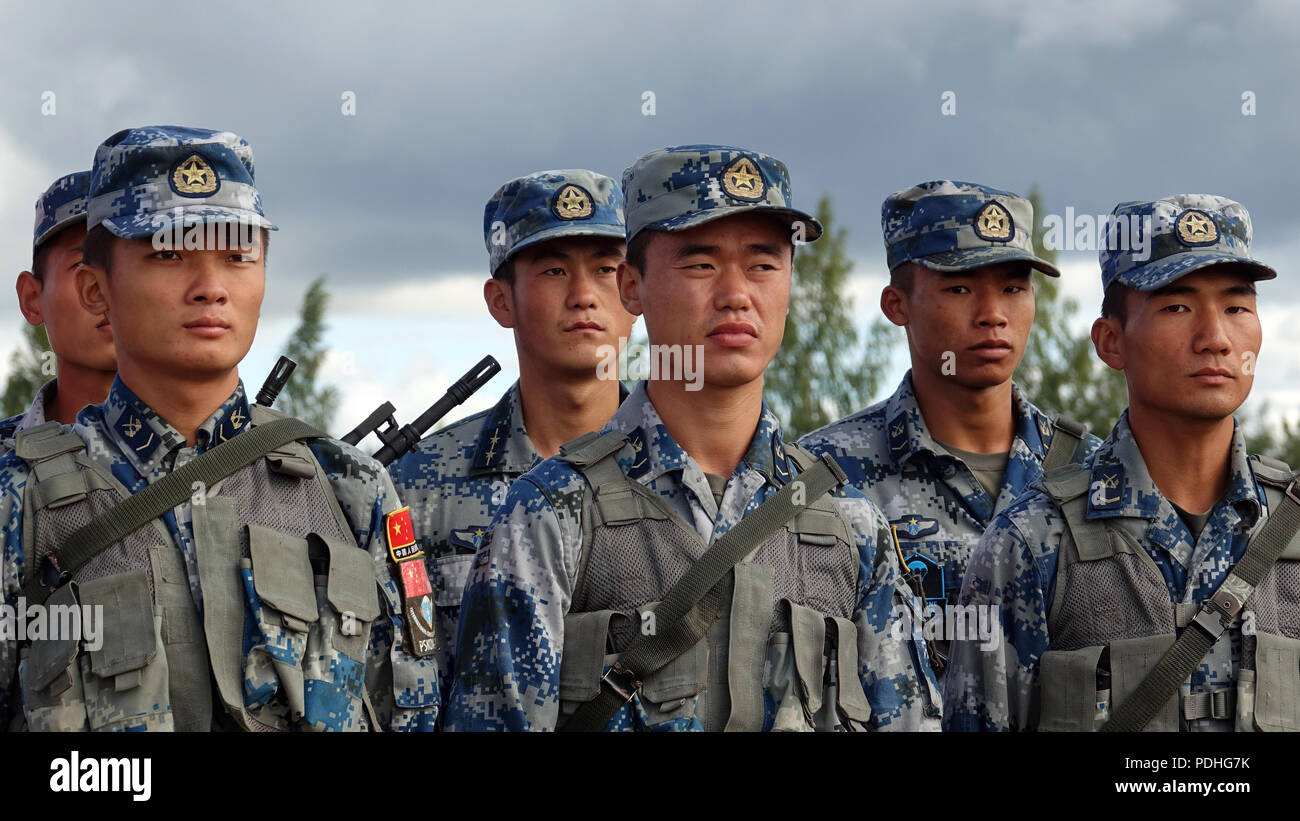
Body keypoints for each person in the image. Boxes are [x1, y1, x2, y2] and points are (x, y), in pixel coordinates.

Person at [446, 144, 940, 732]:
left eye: (762, 264)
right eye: (701, 264)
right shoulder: (551, 514)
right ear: (632, 287)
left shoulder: (847, 524)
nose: (736, 294)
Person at [0, 125, 437, 732]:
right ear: (95, 291)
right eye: (169, 255)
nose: (211, 288)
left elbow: (411, 709)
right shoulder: (17, 499)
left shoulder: (348, 488)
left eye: (238, 257)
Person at [943, 194, 1291, 732]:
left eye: (1237, 307)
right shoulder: (1032, 543)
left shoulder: (1291, 528)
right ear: (1111, 342)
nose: (1216, 339)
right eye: (1177, 306)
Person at [800, 181, 1098, 676]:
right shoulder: (826, 476)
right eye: (959, 288)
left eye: (1013, 288)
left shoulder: (1093, 473)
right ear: (897, 305)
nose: (993, 316)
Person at [388, 169, 634, 705]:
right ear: (502, 301)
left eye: (606, 269)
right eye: (553, 270)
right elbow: (406, 673)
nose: (585, 296)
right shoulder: (416, 487)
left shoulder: (679, 472)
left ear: (635, 291)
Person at [0, 171, 115, 451]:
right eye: (83, 266)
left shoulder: (233, 453)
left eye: (145, 263)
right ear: (32, 298)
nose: (114, 288)